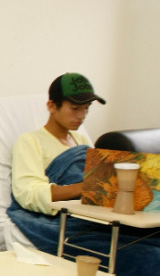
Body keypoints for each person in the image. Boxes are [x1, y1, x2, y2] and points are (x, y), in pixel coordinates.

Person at [11, 72, 106, 215]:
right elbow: (28, 193)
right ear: (52, 106)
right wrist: (87, 187)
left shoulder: (81, 140)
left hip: (92, 211)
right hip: (63, 216)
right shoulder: (31, 141)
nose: (81, 116)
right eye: (75, 108)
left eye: (86, 108)